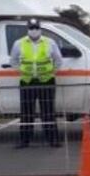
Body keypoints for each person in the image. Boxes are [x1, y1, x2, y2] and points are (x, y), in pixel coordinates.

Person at [10, 18, 62, 148]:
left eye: (36, 28)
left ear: (40, 29)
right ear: (28, 29)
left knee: (48, 112)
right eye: (31, 28)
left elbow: (58, 60)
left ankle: (53, 140)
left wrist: (50, 72)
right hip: (27, 82)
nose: (34, 31)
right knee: (26, 112)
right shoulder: (19, 43)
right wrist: (22, 71)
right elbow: (13, 61)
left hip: (46, 81)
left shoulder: (50, 42)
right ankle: (24, 141)